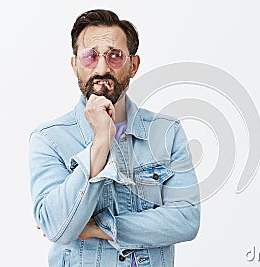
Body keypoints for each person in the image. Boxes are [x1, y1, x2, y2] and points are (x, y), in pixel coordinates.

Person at [29, 9, 200, 267]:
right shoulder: (49, 139)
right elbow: (57, 228)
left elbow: (186, 220)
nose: (102, 67)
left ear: (134, 65)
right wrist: (100, 142)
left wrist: (100, 227)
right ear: (75, 64)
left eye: (115, 56)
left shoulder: (167, 132)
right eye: (90, 56)